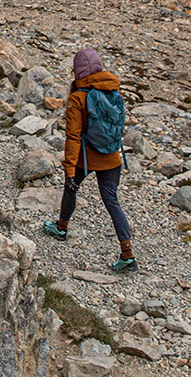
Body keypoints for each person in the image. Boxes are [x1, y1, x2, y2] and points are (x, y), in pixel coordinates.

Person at [42, 47, 137, 273]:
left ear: (78, 71)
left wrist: (70, 170)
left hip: (86, 157)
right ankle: (128, 254)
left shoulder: (78, 99)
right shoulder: (113, 91)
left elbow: (73, 137)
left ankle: (61, 228)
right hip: (113, 156)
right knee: (112, 201)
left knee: (71, 189)